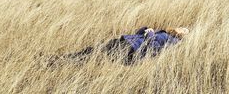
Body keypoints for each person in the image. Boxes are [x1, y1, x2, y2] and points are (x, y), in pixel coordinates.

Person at [46, 26, 189, 67]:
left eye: (184, 31)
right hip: (126, 42)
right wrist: (146, 30)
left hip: (130, 51)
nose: (181, 29)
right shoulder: (164, 32)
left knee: (91, 57)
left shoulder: (172, 42)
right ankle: (56, 59)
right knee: (90, 51)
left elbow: (154, 50)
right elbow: (139, 35)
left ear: (182, 36)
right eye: (182, 27)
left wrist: (150, 35)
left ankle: (55, 62)